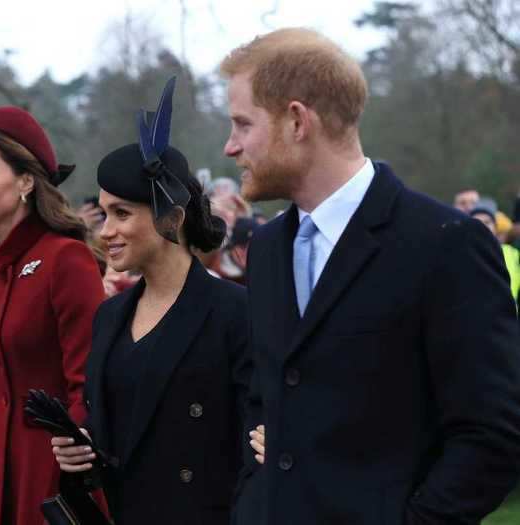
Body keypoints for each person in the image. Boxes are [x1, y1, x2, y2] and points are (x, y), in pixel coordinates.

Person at [221, 28, 520, 524]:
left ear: (297, 120)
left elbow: (492, 434)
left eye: (241, 123)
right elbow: (265, 398)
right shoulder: (269, 249)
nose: (230, 146)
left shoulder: (445, 243)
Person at [52, 78, 252, 525]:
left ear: (173, 218)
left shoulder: (235, 313)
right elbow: (117, 433)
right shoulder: (109, 317)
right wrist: (80, 446)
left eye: (122, 214)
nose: (106, 231)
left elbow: (252, 453)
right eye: (104, 214)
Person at [0, 106, 104, 525]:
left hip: (48, 467)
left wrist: (76, 463)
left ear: (24, 181)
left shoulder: (66, 259)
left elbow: (86, 379)